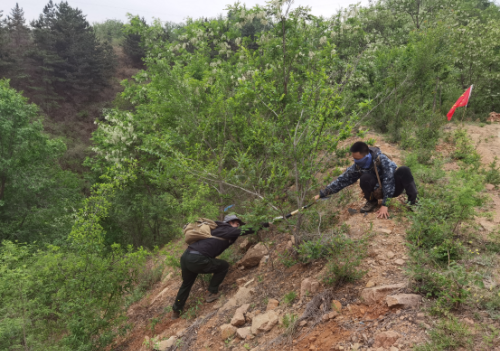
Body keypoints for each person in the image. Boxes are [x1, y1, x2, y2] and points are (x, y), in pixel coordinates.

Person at [172, 214, 269, 319]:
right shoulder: (227, 230)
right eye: (235, 222)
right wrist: (265, 224)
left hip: (186, 257)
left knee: (186, 284)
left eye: (238, 223)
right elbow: (245, 230)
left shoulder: (218, 229)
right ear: (229, 223)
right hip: (197, 259)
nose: (237, 224)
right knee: (223, 266)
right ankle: (211, 293)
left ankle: (176, 310)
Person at [313, 141, 417, 218]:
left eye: (358, 159)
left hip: (393, 189)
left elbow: (389, 180)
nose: (355, 161)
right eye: (354, 159)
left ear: (366, 156)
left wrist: (385, 204)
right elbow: (342, 180)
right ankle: (372, 202)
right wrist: (323, 193)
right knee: (364, 178)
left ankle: (413, 203)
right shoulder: (358, 166)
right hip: (376, 191)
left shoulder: (381, 159)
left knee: (404, 170)